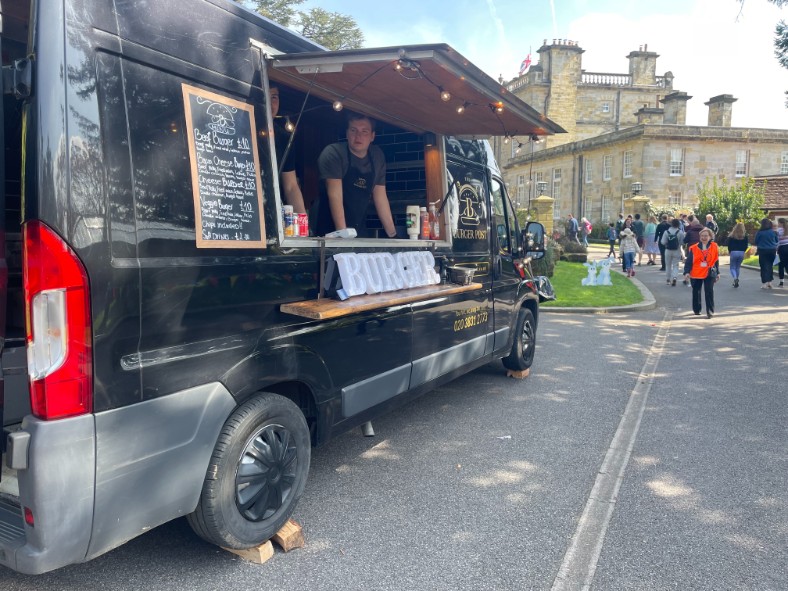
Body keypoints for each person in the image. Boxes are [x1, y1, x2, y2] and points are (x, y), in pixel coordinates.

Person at [315, 112, 397, 238]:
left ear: (372, 136)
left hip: (359, 229)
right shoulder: (334, 153)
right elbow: (335, 195)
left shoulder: (377, 156)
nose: (358, 136)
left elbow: (380, 196)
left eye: (364, 131)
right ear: (347, 133)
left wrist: (393, 235)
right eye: (353, 130)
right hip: (330, 232)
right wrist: (343, 235)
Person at [269, 84, 306, 214]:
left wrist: (303, 225)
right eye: (265, 96)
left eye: (274, 97)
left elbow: (291, 186)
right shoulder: (239, 129)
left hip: (271, 211)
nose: (270, 103)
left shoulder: (284, 138)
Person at [683, 227, 719, 318]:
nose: (704, 237)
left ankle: (710, 312)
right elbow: (689, 261)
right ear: (700, 237)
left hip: (709, 272)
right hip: (696, 273)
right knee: (696, 291)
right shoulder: (693, 248)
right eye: (702, 236)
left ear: (710, 236)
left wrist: (718, 272)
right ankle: (697, 309)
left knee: (709, 292)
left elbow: (716, 260)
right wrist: (686, 272)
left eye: (706, 236)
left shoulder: (714, 246)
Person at [752, 217, 779, 289]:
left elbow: (756, 241)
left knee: (763, 266)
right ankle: (770, 282)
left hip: (762, 250)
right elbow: (777, 241)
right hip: (772, 250)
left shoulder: (759, 232)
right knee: (770, 266)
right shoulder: (773, 232)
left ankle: (764, 283)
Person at [660, 218, 684, 286]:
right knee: (676, 265)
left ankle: (668, 279)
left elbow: (663, 242)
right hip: (677, 250)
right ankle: (675, 277)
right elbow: (682, 242)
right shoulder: (680, 232)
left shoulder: (666, 232)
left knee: (668, 265)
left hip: (668, 250)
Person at [726, 222, 749, 288]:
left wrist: (730, 251)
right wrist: (744, 251)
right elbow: (746, 245)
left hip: (733, 252)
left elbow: (729, 245)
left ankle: (735, 278)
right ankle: (736, 279)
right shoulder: (745, 236)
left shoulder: (732, 236)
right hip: (741, 252)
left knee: (732, 267)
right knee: (738, 267)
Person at [777, 217, 788, 287]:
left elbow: (777, 241)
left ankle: (781, 281)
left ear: (780, 223)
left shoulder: (778, 231)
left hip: (782, 248)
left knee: (781, 265)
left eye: (778, 223)